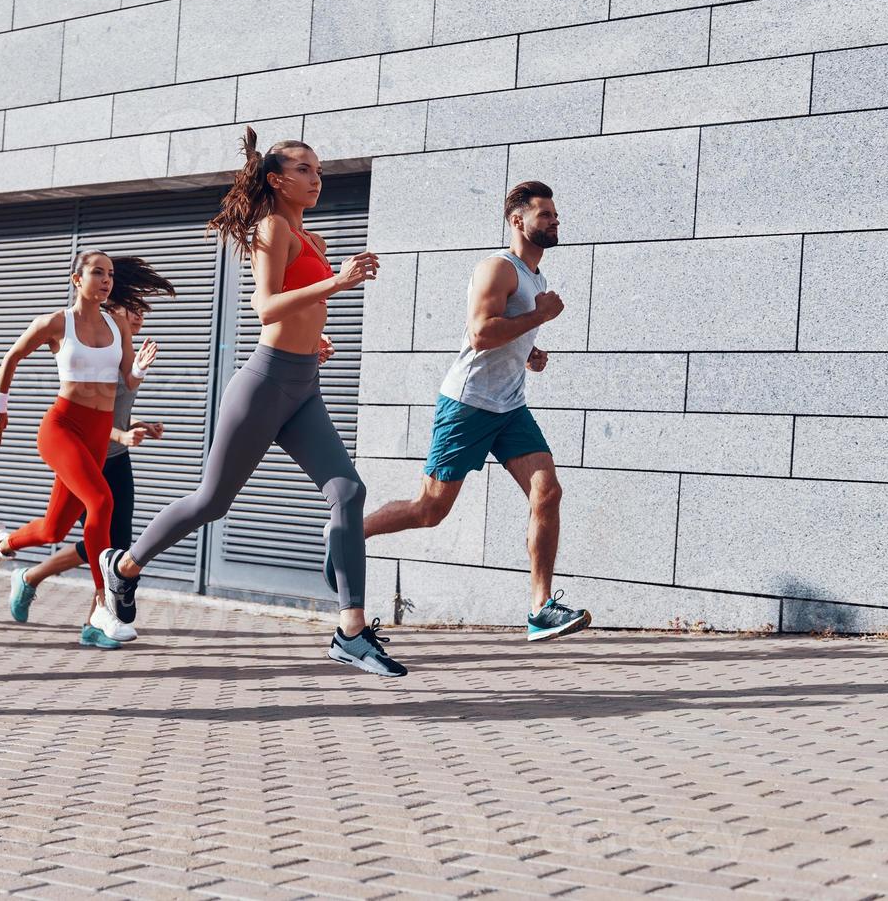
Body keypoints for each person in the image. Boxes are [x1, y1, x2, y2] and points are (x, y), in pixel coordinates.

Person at [97, 128, 404, 677]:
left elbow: (297, 308)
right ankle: (124, 566)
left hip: (303, 384)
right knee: (212, 501)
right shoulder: (272, 228)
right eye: (305, 169)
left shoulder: (315, 240)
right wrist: (337, 285)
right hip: (263, 385)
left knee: (348, 490)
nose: (317, 178)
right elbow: (266, 306)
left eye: (319, 169)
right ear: (277, 179)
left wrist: (315, 337)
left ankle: (350, 631)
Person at [361, 180, 592, 641]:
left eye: (555, 214)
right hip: (468, 405)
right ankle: (349, 533)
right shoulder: (497, 268)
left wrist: (530, 351)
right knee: (430, 510)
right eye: (544, 214)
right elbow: (481, 334)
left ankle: (540, 609)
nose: (554, 221)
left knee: (547, 493)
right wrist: (540, 318)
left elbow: (505, 335)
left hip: (509, 407)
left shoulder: (535, 278)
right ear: (517, 220)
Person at [0, 252, 169, 649]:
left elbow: (127, 382)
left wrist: (142, 369)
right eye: (97, 273)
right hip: (62, 427)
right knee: (101, 503)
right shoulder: (56, 323)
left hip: (98, 434)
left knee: (54, 529)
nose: (106, 280)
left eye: (110, 275)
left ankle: (2, 543)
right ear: (76, 279)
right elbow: (12, 357)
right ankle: (103, 607)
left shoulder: (118, 326)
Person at [4, 301, 169, 624]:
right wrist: (121, 435)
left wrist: (138, 426)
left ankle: (39, 583)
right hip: (87, 458)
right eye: (131, 309)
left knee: (112, 543)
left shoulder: (128, 359)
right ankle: (99, 617)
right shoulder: (103, 353)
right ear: (111, 314)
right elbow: (93, 418)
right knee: (102, 539)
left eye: (143, 311)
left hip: (117, 460)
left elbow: (113, 413)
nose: (138, 317)